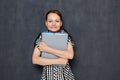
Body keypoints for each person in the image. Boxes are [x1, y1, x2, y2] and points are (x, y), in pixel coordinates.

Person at [32, 10, 75, 80]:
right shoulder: (41, 37)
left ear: (61, 23)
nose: (53, 24)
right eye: (50, 21)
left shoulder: (66, 36)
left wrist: (47, 49)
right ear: (46, 23)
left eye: (57, 21)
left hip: (65, 77)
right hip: (47, 77)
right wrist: (58, 61)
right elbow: (35, 60)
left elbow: (70, 55)